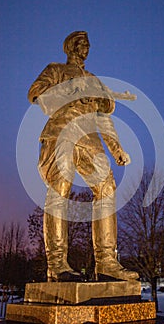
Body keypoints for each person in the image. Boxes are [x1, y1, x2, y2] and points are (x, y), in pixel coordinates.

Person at [28, 31, 139, 282]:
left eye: (88, 44)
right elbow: (37, 95)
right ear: (69, 47)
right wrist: (70, 90)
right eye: (80, 43)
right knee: (60, 189)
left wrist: (116, 148)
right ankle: (56, 264)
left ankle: (107, 262)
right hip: (61, 133)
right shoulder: (56, 70)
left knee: (106, 188)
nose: (85, 47)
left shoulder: (93, 79)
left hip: (90, 140)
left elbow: (102, 117)